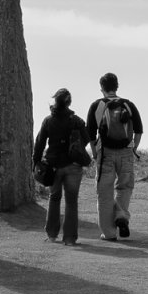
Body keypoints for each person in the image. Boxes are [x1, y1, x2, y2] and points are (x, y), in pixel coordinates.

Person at [85, 71, 144, 240]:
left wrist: (95, 152)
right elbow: (139, 131)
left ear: (101, 88)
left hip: (105, 154)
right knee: (125, 187)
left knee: (104, 192)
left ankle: (109, 233)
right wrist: (133, 148)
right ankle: (121, 216)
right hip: (126, 152)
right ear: (117, 86)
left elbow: (90, 134)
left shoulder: (97, 106)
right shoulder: (128, 105)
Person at [33, 88, 90, 244]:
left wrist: (36, 162)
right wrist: (75, 149)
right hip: (73, 165)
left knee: (54, 198)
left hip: (53, 166)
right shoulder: (77, 120)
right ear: (69, 102)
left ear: (55, 101)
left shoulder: (48, 120)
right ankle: (70, 238)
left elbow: (39, 143)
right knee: (71, 201)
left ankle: (52, 235)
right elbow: (86, 139)